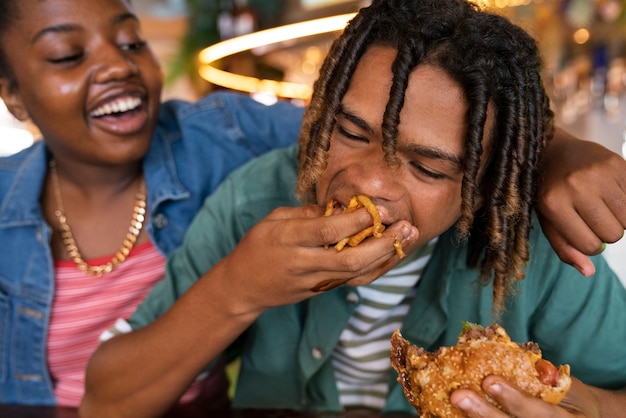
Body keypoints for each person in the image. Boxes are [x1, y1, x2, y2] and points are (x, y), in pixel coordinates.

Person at [81, 0, 626, 417]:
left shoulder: (529, 240)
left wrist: (581, 404)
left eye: (428, 168)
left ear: (483, 188)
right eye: (349, 130)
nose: (367, 179)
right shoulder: (257, 199)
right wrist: (238, 289)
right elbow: (106, 400)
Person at [0, 0, 303, 407]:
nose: (118, 66)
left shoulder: (223, 135)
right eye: (68, 55)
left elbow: (351, 133)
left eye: (132, 43)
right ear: (14, 96)